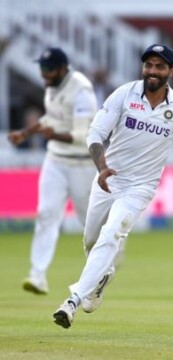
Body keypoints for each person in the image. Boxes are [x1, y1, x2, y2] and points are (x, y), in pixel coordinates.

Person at [52, 44, 173, 329]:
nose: (152, 71)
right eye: (148, 65)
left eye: (160, 66)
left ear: (171, 71)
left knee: (112, 234)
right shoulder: (124, 94)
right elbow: (96, 133)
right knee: (91, 241)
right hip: (108, 180)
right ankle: (101, 278)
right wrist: (101, 168)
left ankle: (71, 301)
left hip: (140, 188)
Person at [8, 47, 98, 295]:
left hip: (81, 164)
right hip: (56, 160)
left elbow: (84, 136)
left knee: (89, 224)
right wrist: (25, 133)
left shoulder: (82, 91)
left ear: (62, 69)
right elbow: (51, 118)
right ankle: (37, 275)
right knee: (46, 214)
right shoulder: (52, 86)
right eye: (41, 68)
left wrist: (54, 135)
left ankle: (98, 275)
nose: (43, 74)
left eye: (48, 69)